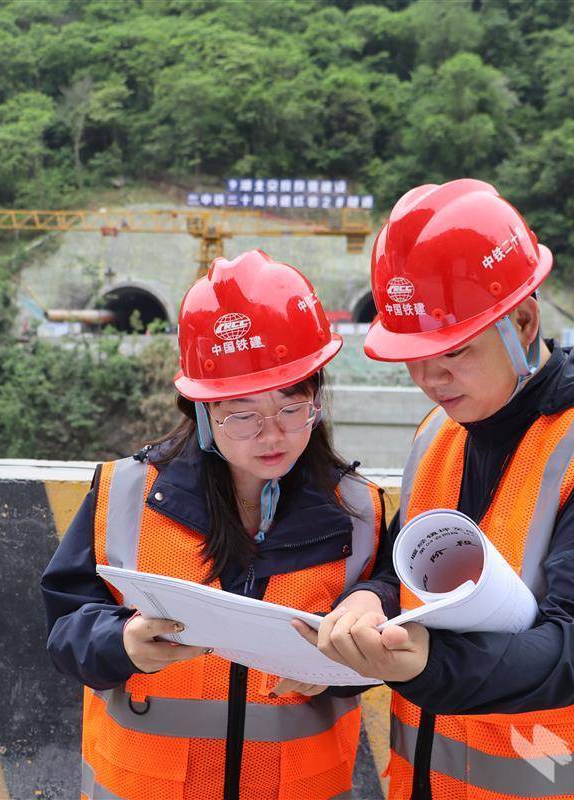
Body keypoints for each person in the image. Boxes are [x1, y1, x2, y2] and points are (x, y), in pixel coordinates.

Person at [296, 180, 574, 799]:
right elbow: (404, 567)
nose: (430, 378)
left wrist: (427, 662)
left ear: (524, 321)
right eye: (414, 355)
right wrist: (372, 599)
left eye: (453, 351)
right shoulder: (439, 434)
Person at [41, 249, 398, 800]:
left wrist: (347, 656)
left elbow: (392, 626)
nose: (272, 435)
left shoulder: (359, 510)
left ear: (317, 397)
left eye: (291, 406)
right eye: (243, 415)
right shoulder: (127, 493)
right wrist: (121, 643)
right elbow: (66, 627)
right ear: (202, 411)